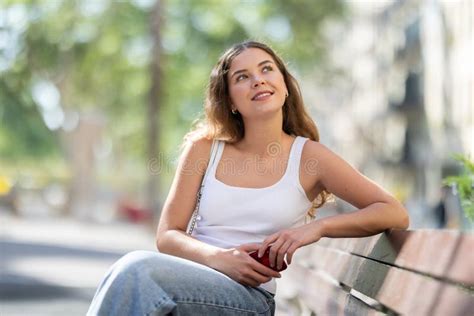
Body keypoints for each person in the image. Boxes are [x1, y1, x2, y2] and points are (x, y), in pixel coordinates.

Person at [87, 41, 409, 316]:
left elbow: (393, 211)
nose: (258, 80)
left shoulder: (310, 158)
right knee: (131, 274)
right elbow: (168, 234)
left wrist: (318, 228)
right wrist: (220, 259)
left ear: (284, 83)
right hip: (193, 280)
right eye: (243, 77)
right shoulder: (204, 148)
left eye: (267, 69)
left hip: (248, 300)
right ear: (230, 100)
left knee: (136, 272)